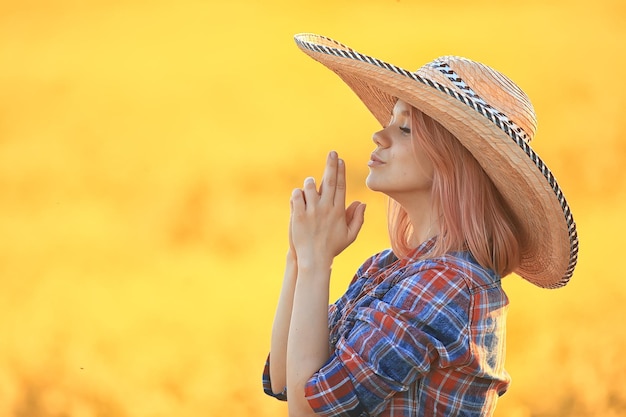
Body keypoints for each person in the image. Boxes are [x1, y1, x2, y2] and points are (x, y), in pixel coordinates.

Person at [262, 34, 579, 417]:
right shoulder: (387, 268)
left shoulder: (451, 285)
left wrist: (317, 262)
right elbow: (283, 379)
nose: (379, 135)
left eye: (406, 129)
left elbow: (309, 408)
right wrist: (299, 256)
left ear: (452, 160)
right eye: (391, 121)